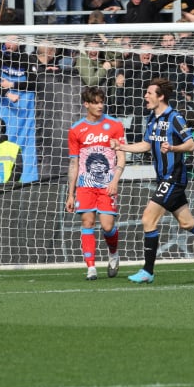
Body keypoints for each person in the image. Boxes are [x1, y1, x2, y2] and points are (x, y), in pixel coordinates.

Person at [111, 77, 194, 284]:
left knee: (148, 219)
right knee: (187, 222)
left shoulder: (175, 118)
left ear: (161, 97)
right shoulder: (152, 119)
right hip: (163, 179)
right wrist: (121, 147)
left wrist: (173, 148)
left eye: (149, 93)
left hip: (175, 178)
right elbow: (146, 144)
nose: (145, 96)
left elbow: (190, 145)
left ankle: (148, 271)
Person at [66, 86, 126, 280]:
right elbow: (74, 163)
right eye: (96, 103)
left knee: (108, 226)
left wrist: (115, 181)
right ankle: (91, 267)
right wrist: (70, 193)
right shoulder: (76, 129)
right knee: (87, 221)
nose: (100, 106)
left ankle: (113, 254)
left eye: (102, 102)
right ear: (87, 104)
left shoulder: (115, 125)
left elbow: (121, 156)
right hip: (85, 184)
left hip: (108, 183)